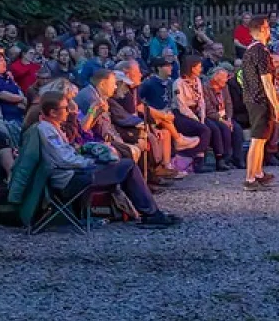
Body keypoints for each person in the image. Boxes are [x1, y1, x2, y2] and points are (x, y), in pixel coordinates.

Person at [31, 92, 178, 227]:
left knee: (121, 163)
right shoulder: (46, 130)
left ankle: (148, 212)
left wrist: (86, 154)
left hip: (74, 173)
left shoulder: (51, 127)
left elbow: (65, 155)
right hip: (71, 179)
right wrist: (91, 162)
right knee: (127, 166)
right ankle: (151, 214)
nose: (68, 111)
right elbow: (64, 159)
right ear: (52, 112)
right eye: (65, 108)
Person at [240, 15, 279, 191]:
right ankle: (250, 178)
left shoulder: (250, 50)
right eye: (267, 27)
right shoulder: (261, 51)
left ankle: (258, 173)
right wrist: (276, 106)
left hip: (252, 97)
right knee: (257, 140)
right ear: (263, 29)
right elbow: (266, 80)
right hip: (259, 99)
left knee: (262, 138)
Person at [173, 56, 223, 172]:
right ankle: (192, 157)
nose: (201, 69)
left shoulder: (197, 81)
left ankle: (220, 159)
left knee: (214, 128)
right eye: (198, 67)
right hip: (183, 114)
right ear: (192, 68)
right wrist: (195, 118)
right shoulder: (178, 83)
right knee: (205, 130)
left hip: (197, 112)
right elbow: (182, 105)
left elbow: (201, 100)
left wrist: (202, 116)